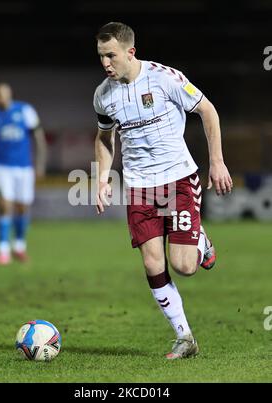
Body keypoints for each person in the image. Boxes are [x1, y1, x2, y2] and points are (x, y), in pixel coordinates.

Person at [93, 22, 233, 360]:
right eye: (101, 57)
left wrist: (217, 161)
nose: (106, 63)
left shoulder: (165, 78)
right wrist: (101, 178)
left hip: (178, 180)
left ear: (130, 52)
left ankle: (199, 240)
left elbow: (207, 110)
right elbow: (103, 138)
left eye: (111, 55)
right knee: (153, 264)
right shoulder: (103, 95)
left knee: (184, 266)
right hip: (140, 187)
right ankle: (185, 337)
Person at [0, 81, 47, 265]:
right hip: (1, 168)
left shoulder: (25, 111)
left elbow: (38, 138)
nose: (1, 96)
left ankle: (19, 247)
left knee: (22, 207)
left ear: (9, 92)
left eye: (4, 92)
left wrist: (40, 164)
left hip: (24, 168)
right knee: (4, 206)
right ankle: (2, 250)